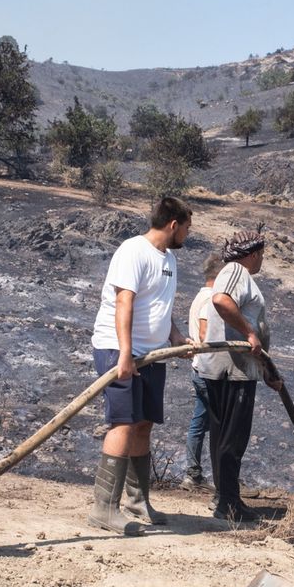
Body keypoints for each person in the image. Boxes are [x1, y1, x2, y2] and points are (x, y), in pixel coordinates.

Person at [88, 197, 194, 535]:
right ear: (173, 224)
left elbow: (160, 304)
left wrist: (176, 336)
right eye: (187, 227)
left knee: (144, 423)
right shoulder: (133, 251)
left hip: (152, 353)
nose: (188, 234)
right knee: (123, 423)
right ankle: (104, 508)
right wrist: (124, 353)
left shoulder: (170, 259)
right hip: (119, 349)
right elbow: (124, 301)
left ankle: (137, 500)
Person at [201, 229, 283, 523]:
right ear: (252, 254)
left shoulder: (234, 273)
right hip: (232, 371)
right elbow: (221, 300)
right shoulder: (236, 271)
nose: (262, 260)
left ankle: (226, 499)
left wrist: (267, 373)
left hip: (234, 368)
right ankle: (229, 503)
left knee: (223, 437)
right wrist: (249, 332)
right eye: (261, 254)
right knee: (232, 439)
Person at [182, 254, 224, 491]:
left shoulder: (200, 296)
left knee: (199, 422)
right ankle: (223, 480)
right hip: (209, 371)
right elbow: (207, 334)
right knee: (221, 424)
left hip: (199, 367)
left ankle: (193, 473)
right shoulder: (210, 300)